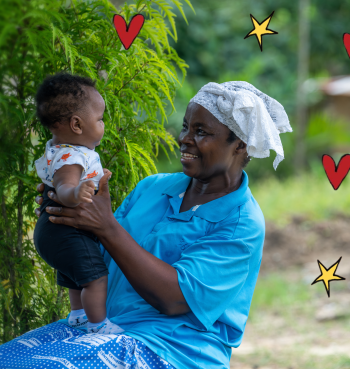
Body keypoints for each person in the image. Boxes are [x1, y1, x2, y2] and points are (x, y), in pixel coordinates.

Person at [0, 81, 292, 369]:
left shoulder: (241, 222)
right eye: (186, 127)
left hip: (170, 351)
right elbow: (101, 256)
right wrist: (68, 214)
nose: (184, 138)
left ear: (240, 144)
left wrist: (105, 226)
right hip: (103, 329)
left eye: (201, 132)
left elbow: (175, 299)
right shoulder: (152, 188)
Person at [33, 73, 123, 335]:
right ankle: (98, 326)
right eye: (100, 119)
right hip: (65, 230)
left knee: (75, 274)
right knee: (95, 277)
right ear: (76, 124)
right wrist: (77, 193)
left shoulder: (65, 151)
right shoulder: (71, 157)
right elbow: (63, 188)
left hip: (54, 231)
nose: (103, 125)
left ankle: (78, 315)